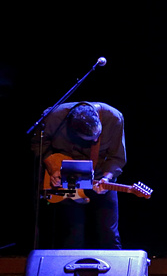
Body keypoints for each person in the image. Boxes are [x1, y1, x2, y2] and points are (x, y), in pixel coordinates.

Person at [33, 101, 128, 249]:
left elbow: (117, 157)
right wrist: (54, 168)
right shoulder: (53, 118)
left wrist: (106, 178)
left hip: (100, 178)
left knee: (109, 234)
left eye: (98, 135)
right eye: (90, 139)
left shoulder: (114, 118)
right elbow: (39, 145)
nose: (96, 140)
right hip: (67, 180)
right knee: (73, 235)